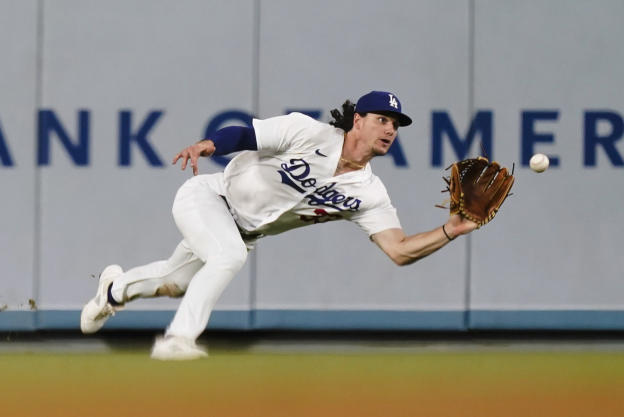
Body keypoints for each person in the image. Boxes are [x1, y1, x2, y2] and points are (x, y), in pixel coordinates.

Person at [80, 91, 477, 360]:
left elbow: (399, 250)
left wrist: (450, 230)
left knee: (175, 282)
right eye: (381, 119)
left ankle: (113, 290)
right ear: (358, 120)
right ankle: (178, 339)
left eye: (395, 124)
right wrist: (209, 145)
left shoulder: (369, 193)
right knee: (227, 256)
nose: (390, 129)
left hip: (243, 231)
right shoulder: (309, 132)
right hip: (209, 198)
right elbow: (245, 134)